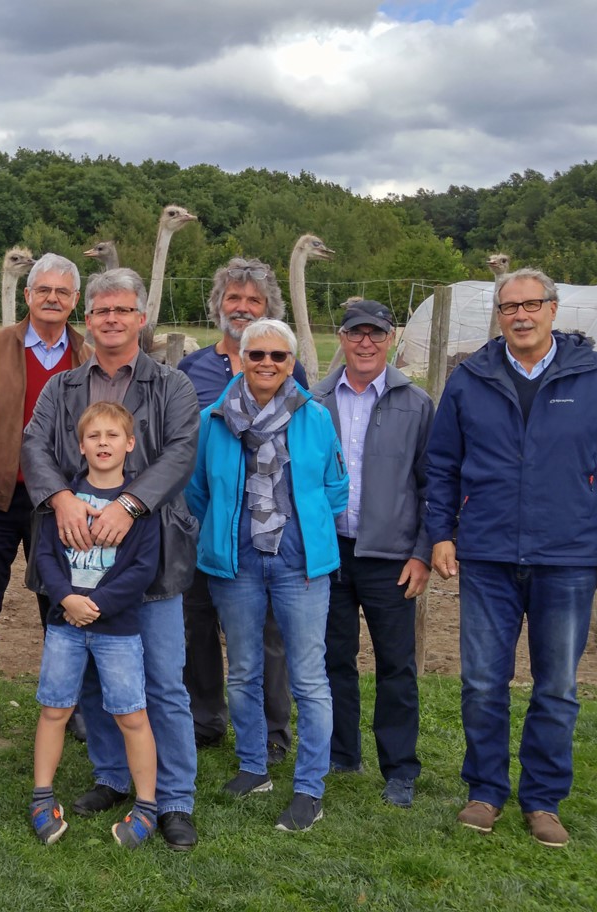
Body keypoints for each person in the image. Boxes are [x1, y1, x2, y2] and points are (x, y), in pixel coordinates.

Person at [426, 268, 597, 848]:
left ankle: (543, 799)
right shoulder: (470, 378)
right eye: (508, 308)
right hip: (489, 553)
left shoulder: (596, 376)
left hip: (568, 555)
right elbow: (442, 464)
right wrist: (441, 532)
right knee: (481, 682)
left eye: (531, 305)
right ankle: (484, 790)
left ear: (553, 309)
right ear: (498, 317)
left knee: (555, 686)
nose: (520, 316)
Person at [21, 267, 201, 851]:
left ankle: (171, 798)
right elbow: (34, 445)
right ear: (88, 318)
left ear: (140, 318)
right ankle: (112, 776)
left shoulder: (169, 385)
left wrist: (131, 503)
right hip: (77, 558)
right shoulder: (64, 388)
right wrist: (63, 498)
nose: (112, 320)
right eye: (101, 311)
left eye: (123, 310)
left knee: (162, 683)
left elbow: (180, 452)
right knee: (96, 678)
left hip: (151, 555)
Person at [186, 318, 347, 833]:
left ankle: (309, 788)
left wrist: (305, 529)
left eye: (279, 357)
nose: (267, 365)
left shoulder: (315, 417)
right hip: (237, 565)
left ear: (291, 363)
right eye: (257, 355)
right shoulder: (213, 421)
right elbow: (197, 493)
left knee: (308, 678)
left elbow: (335, 486)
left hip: (299, 565)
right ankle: (254, 766)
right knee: (244, 669)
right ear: (241, 358)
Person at [175, 257, 307, 758]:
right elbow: (182, 447)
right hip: (206, 524)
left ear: (268, 307)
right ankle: (205, 718)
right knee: (198, 622)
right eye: (234, 298)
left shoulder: (286, 370)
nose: (243, 307)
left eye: (254, 300)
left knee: (267, 631)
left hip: (265, 531)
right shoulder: (192, 371)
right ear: (219, 306)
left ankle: (272, 731)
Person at [0, 252, 88, 736]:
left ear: (75, 301)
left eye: (62, 292)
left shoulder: (85, 357)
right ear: (28, 295)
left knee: (61, 604)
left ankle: (68, 705)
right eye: (43, 290)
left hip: (58, 504)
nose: (52, 299)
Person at [309, 300, 433, 809]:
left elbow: (434, 484)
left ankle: (399, 767)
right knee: (333, 656)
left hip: (390, 556)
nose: (365, 343)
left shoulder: (416, 403)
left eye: (375, 334)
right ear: (341, 337)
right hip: (331, 552)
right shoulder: (315, 401)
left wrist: (422, 552)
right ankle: (342, 752)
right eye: (356, 333)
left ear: (391, 339)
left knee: (395, 664)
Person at [28, 402, 162, 849]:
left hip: (116, 629)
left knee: (131, 714)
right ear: (80, 445)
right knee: (55, 709)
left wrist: (96, 605)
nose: (103, 443)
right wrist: (66, 598)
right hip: (65, 624)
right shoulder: (63, 499)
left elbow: (142, 569)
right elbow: (44, 554)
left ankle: (146, 805)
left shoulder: (138, 508)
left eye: (112, 436)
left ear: (129, 443)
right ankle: (42, 796)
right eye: (94, 436)